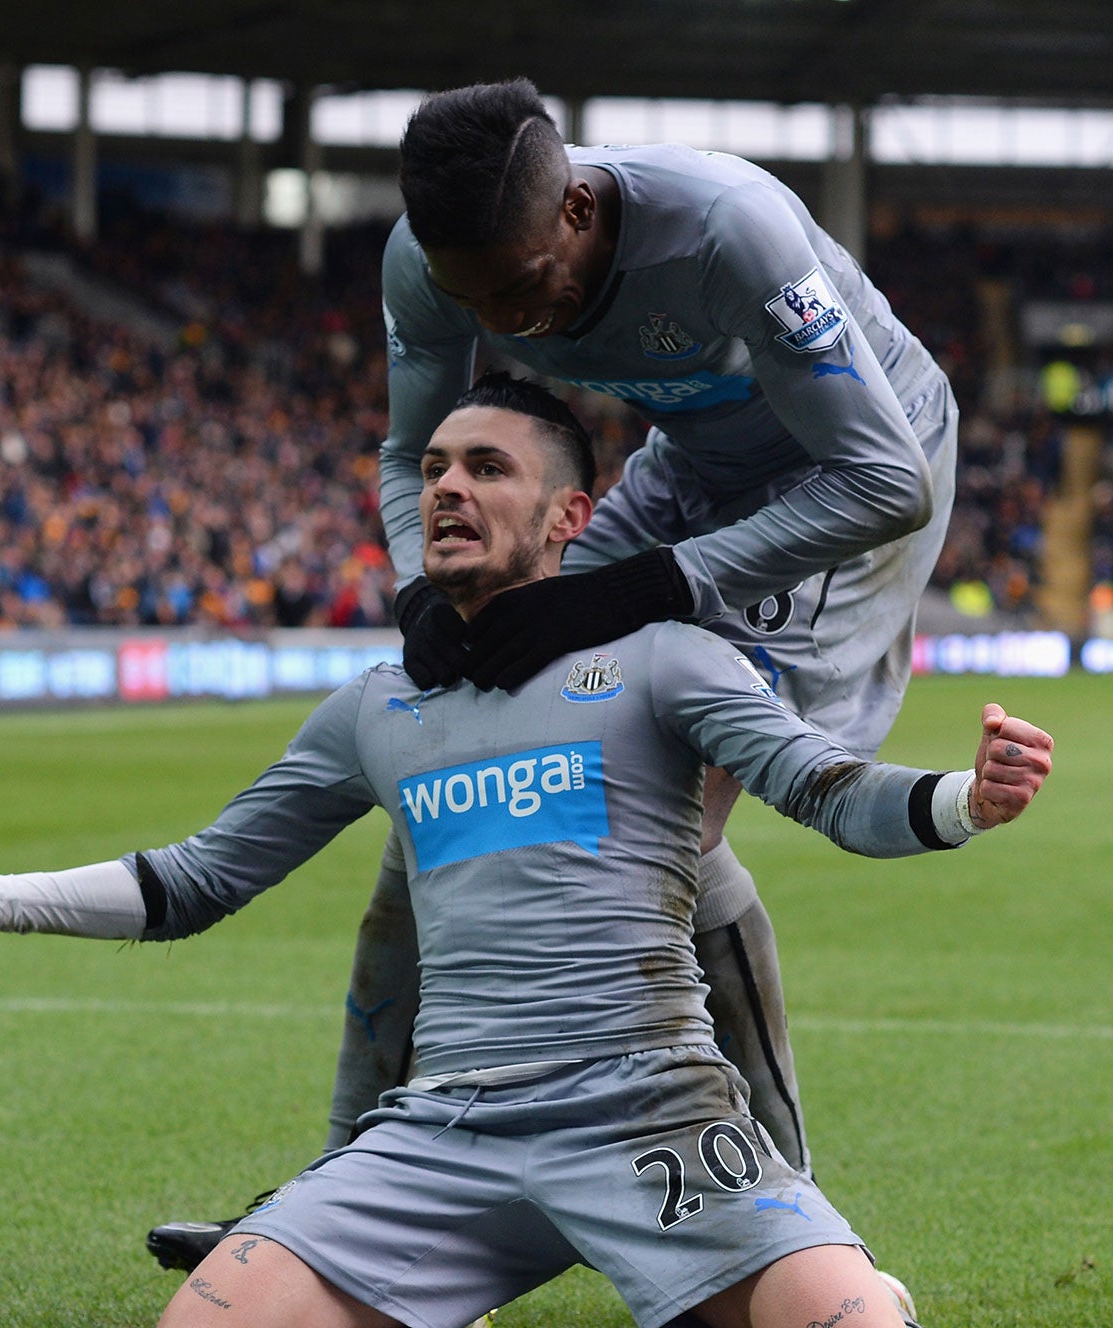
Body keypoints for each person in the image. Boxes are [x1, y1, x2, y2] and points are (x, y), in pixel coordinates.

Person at [0, 378, 1053, 1328]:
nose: (446, 486)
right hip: (444, 1134)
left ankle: (769, 1283)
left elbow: (827, 790)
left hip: (649, 1117)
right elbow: (195, 880)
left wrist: (964, 798)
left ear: (567, 519)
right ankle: (426, 1301)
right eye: (434, 466)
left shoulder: (662, 658)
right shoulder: (378, 707)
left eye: (487, 468)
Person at [152, 78, 962, 1264]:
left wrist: (639, 588)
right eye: (479, 303)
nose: (513, 326)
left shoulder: (730, 228)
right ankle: (338, 1201)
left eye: (527, 289)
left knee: (669, 835)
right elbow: (399, 453)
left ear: (577, 209)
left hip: (840, 486)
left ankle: (789, 1215)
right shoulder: (428, 264)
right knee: (440, 814)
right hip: (689, 470)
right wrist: (418, 590)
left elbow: (888, 480)